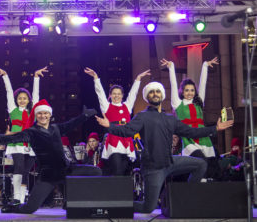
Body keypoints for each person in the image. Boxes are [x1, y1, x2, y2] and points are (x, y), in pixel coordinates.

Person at [96, 81, 234, 213]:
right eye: (151, 92)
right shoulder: (142, 116)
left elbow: (192, 131)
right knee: (148, 208)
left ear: (162, 95)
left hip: (170, 162)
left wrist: (215, 128)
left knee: (201, 164)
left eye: (157, 91)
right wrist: (110, 126)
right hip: (153, 167)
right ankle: (117, 205)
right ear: (147, 97)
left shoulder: (170, 118)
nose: (155, 93)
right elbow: (126, 131)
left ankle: (184, 197)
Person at [0, 99, 102, 214]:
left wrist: (84, 115)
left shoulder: (56, 128)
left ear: (50, 114)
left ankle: (74, 201)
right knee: (30, 209)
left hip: (66, 170)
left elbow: (71, 124)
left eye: (45, 113)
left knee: (96, 171)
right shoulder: (31, 132)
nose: (43, 116)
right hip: (48, 175)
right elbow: (12, 138)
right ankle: (14, 207)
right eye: (40, 113)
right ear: (36, 115)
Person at [0, 65, 48, 204]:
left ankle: (22, 197)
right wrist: (5, 75)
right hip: (16, 142)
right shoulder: (12, 109)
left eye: (24, 98)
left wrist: (36, 77)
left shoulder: (33, 110)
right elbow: (9, 92)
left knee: (25, 171)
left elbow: (36, 94)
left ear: (28, 100)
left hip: (31, 143)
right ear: (16, 100)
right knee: (19, 167)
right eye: (20, 98)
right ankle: (17, 197)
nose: (22, 100)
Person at [84, 67, 151, 175]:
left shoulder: (127, 106)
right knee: (117, 171)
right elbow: (100, 94)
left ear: (122, 95)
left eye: (119, 93)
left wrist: (138, 79)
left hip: (127, 142)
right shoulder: (107, 107)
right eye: (114, 93)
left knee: (125, 172)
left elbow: (133, 94)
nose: (116, 96)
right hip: (114, 142)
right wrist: (96, 78)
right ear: (110, 95)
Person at [161, 57, 219, 158]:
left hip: (203, 137)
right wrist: (171, 68)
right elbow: (173, 84)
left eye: (192, 90)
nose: (190, 93)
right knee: (199, 161)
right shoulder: (178, 104)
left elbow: (203, 84)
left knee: (211, 167)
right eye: (187, 90)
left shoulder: (199, 102)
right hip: (189, 140)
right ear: (182, 92)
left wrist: (205, 66)